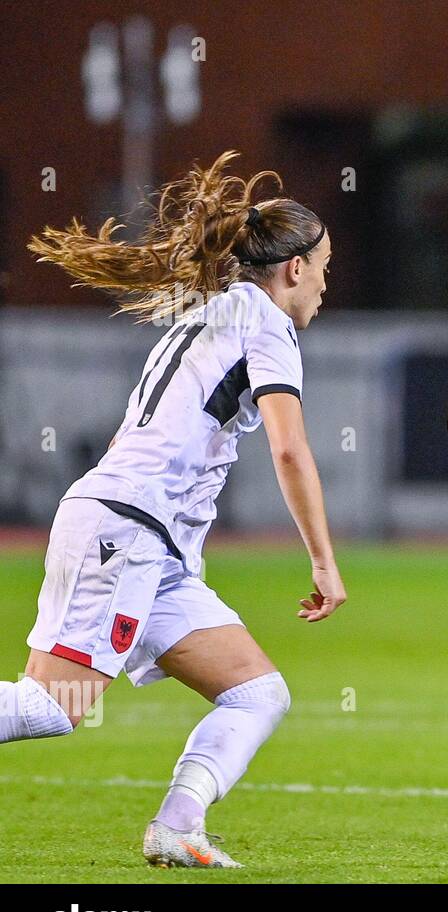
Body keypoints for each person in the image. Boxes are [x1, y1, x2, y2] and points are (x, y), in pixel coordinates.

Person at [4, 152, 346, 868]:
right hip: (126, 530)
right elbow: (290, 450)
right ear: (292, 270)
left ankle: (178, 825)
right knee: (49, 708)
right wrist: (322, 560)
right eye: (322, 266)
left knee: (257, 693)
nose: (323, 282)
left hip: (150, 546)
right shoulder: (266, 326)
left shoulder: (214, 310)